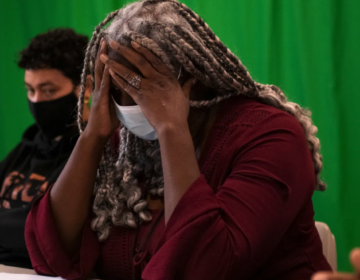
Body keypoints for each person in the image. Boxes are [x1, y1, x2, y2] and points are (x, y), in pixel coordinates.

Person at [25, 1, 332, 279]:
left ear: (192, 79)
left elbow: (204, 267)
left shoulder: (270, 135)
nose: (128, 102)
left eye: (143, 87)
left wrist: (171, 129)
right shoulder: (123, 142)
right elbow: (51, 255)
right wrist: (92, 137)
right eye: (117, 87)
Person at [0, 28, 91, 268]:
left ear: (86, 87)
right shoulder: (26, 147)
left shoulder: (94, 151)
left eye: (49, 90)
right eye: (30, 90)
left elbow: (50, 232)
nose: (37, 101)